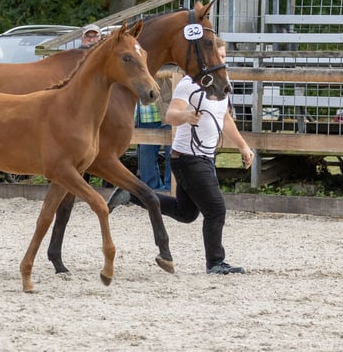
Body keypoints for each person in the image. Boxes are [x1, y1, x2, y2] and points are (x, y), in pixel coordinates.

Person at [108, 38, 255, 275]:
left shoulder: (222, 84)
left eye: (224, 57)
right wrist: (186, 116)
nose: (222, 61)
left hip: (205, 157)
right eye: (218, 57)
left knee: (186, 213)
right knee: (216, 210)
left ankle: (133, 194)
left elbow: (225, 119)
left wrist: (243, 146)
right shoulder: (189, 84)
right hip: (188, 157)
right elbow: (171, 115)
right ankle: (215, 262)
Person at [135, 64, 178, 191]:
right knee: (145, 157)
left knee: (172, 154)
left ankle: (171, 189)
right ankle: (152, 191)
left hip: (167, 110)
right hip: (145, 114)